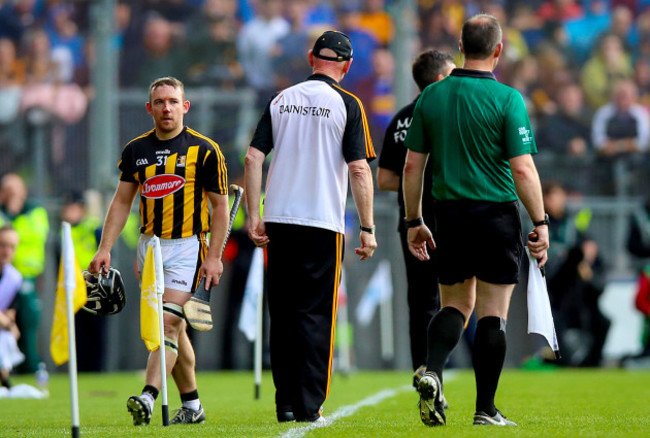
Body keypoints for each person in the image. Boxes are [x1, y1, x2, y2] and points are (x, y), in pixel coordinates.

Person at [402, 14, 549, 427]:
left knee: (455, 305)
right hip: (497, 213)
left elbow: (413, 167)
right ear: (498, 50)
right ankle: (485, 409)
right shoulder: (508, 99)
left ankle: (431, 368)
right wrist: (542, 220)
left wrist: (415, 220)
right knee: (492, 313)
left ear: (461, 46)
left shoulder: (432, 96)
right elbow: (523, 169)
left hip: (448, 214)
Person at [244, 30, 377, 423]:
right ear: (347, 65)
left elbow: (253, 159)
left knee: (283, 315)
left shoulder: (281, 99)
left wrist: (254, 214)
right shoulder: (348, 104)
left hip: (279, 220)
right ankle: (309, 404)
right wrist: (368, 226)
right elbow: (358, 168)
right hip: (322, 222)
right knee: (317, 315)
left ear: (310, 58)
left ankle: (285, 403)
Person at [87, 76, 230, 426]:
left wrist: (213, 257)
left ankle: (148, 397)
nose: (167, 108)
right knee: (176, 329)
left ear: (185, 106)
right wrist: (105, 248)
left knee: (166, 324)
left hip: (188, 247)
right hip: (149, 249)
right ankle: (192, 405)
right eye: (160, 102)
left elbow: (221, 208)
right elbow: (122, 202)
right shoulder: (135, 151)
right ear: (149, 108)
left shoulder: (206, 150)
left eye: (173, 101)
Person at [377, 49, 455, 386]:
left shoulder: (401, 119)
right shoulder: (452, 115)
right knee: (457, 299)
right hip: (451, 219)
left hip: (411, 222)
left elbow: (385, 179)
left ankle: (422, 371)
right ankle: (437, 369)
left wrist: (414, 183)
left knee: (421, 301)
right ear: (439, 80)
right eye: (453, 74)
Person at [0, 173, 49, 374]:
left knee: (27, 322)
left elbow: (27, 235)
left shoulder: (35, 211)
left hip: (26, 275)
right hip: (5, 273)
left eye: (16, 189)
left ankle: (29, 365)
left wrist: (13, 215)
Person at [0, 225, 23, 389]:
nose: (7, 251)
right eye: (3, 245)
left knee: (7, 337)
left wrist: (10, 324)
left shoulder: (14, 277)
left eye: (12, 247)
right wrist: (9, 324)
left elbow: (10, 311)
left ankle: (4, 379)